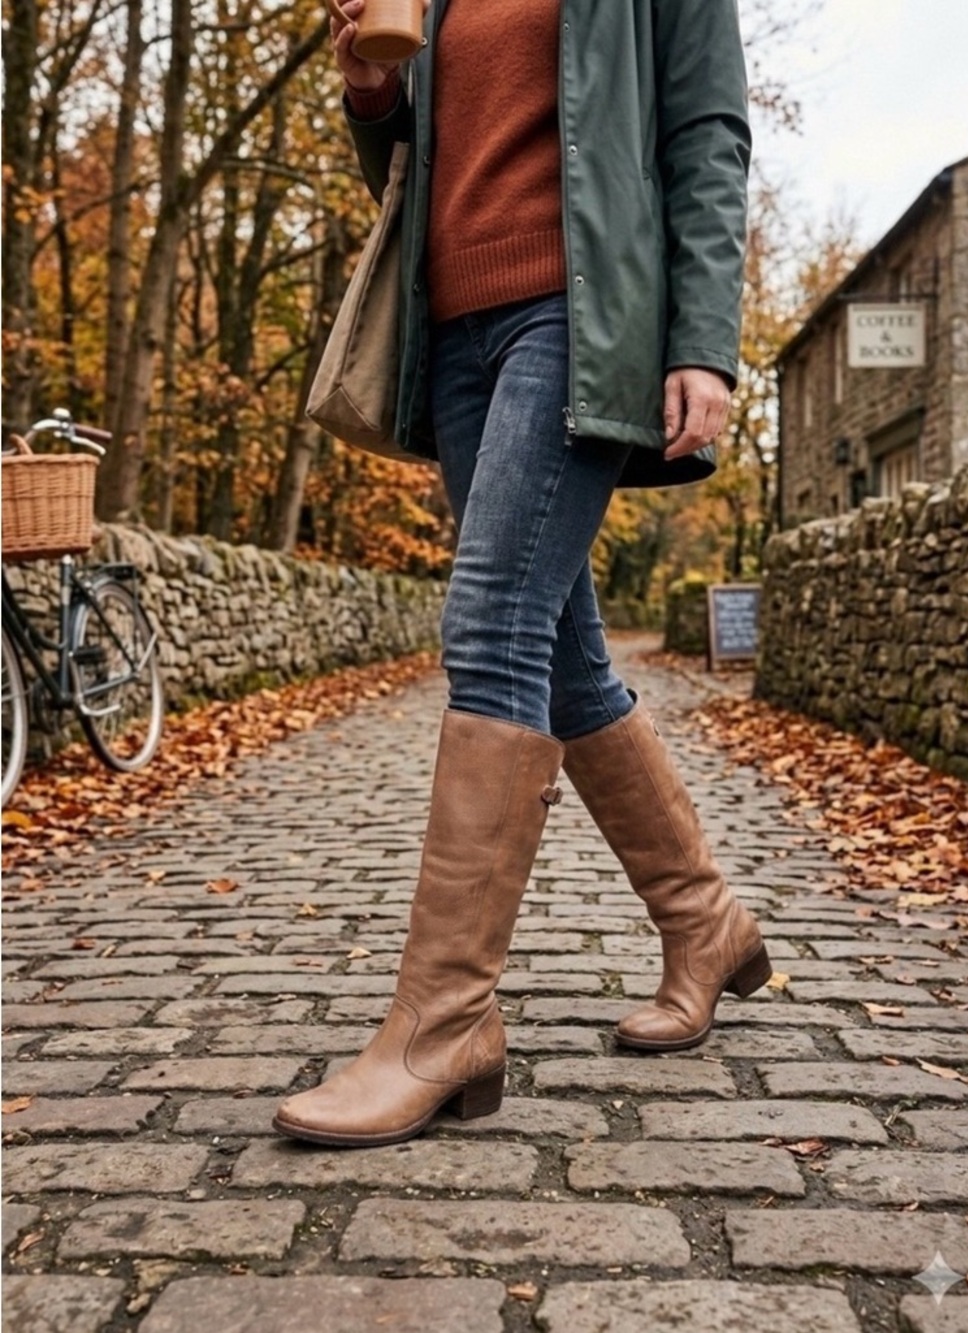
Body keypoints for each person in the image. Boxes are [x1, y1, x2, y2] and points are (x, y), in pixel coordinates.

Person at [273, 0, 771, 1147]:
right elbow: (421, 172)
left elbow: (706, 137)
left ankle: (442, 1024)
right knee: (564, 657)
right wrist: (370, 96)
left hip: (580, 317)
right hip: (452, 333)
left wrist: (703, 339)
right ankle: (708, 924)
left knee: (491, 624)